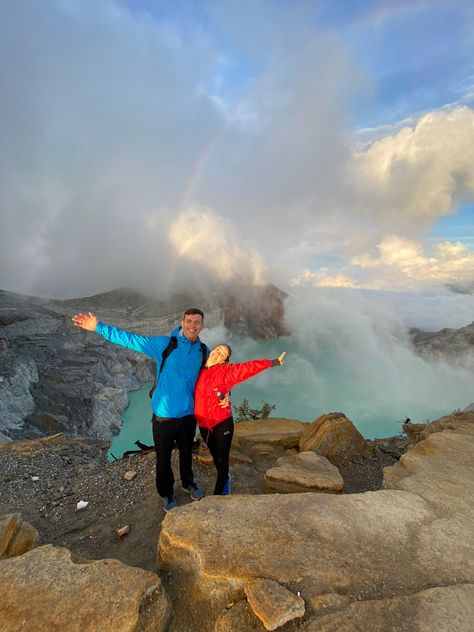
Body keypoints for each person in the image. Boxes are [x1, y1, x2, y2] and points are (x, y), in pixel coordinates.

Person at [72, 308, 210, 512]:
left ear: (202, 326)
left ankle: (188, 483)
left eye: (197, 322)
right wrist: (98, 327)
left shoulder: (203, 351)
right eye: (188, 321)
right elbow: (130, 340)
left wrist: (222, 396)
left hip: (188, 414)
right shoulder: (166, 345)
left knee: (186, 454)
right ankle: (167, 493)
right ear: (182, 323)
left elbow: (212, 378)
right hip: (164, 415)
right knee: (163, 457)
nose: (192, 326)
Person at [194, 344, 286, 496]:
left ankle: (219, 495)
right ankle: (225, 478)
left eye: (223, 354)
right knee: (216, 458)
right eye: (218, 349)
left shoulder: (225, 371)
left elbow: (247, 367)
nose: (218, 353)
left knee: (222, 460)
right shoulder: (196, 369)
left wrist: (273, 362)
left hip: (222, 422)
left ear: (224, 361)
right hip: (204, 424)